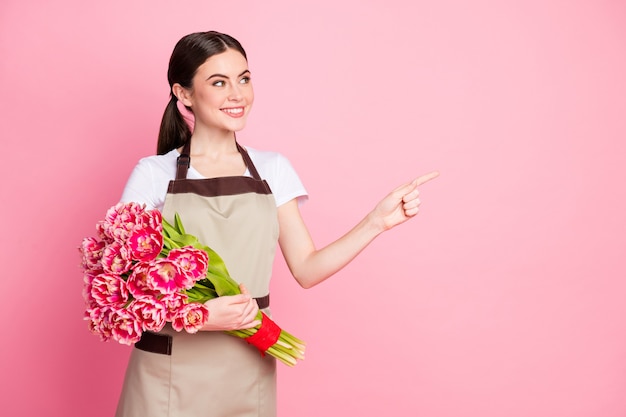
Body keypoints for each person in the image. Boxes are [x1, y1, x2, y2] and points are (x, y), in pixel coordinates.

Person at [115, 31, 438, 417]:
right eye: (219, 82)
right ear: (183, 94)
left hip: (246, 367)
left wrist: (376, 222)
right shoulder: (153, 174)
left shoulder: (273, 169)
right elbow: (120, 288)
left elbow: (307, 268)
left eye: (244, 79)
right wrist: (199, 315)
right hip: (167, 373)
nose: (238, 94)